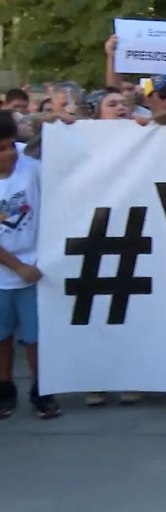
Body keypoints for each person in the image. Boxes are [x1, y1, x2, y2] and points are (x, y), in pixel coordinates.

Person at [0, 111, 59, 419]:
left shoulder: (31, 169)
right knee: (2, 337)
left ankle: (41, 389)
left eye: (10, 145)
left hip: (35, 269)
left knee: (36, 337)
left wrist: (58, 122)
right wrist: (16, 266)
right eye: (0, 149)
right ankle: (5, 388)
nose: (8, 154)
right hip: (5, 274)